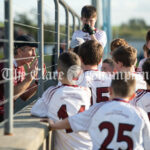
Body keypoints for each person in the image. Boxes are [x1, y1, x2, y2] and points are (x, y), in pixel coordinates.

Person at [42, 72, 150, 150]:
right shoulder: (141, 114)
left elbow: (70, 122)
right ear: (133, 96)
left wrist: (53, 125)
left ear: (110, 90)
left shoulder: (98, 108)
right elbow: (147, 143)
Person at [31, 52, 92, 150]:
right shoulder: (86, 92)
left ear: (59, 72)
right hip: (89, 146)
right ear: (80, 73)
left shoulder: (51, 92)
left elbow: (35, 110)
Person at [0, 35, 39, 122]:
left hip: (5, 112)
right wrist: (29, 79)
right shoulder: (6, 66)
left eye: (35, 50)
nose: (34, 54)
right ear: (19, 51)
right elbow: (11, 94)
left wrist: (37, 81)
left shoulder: (20, 67)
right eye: (30, 50)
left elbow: (24, 96)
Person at [78, 40, 112, 105]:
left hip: (84, 114)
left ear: (80, 59)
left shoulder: (75, 81)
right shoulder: (112, 79)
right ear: (100, 61)